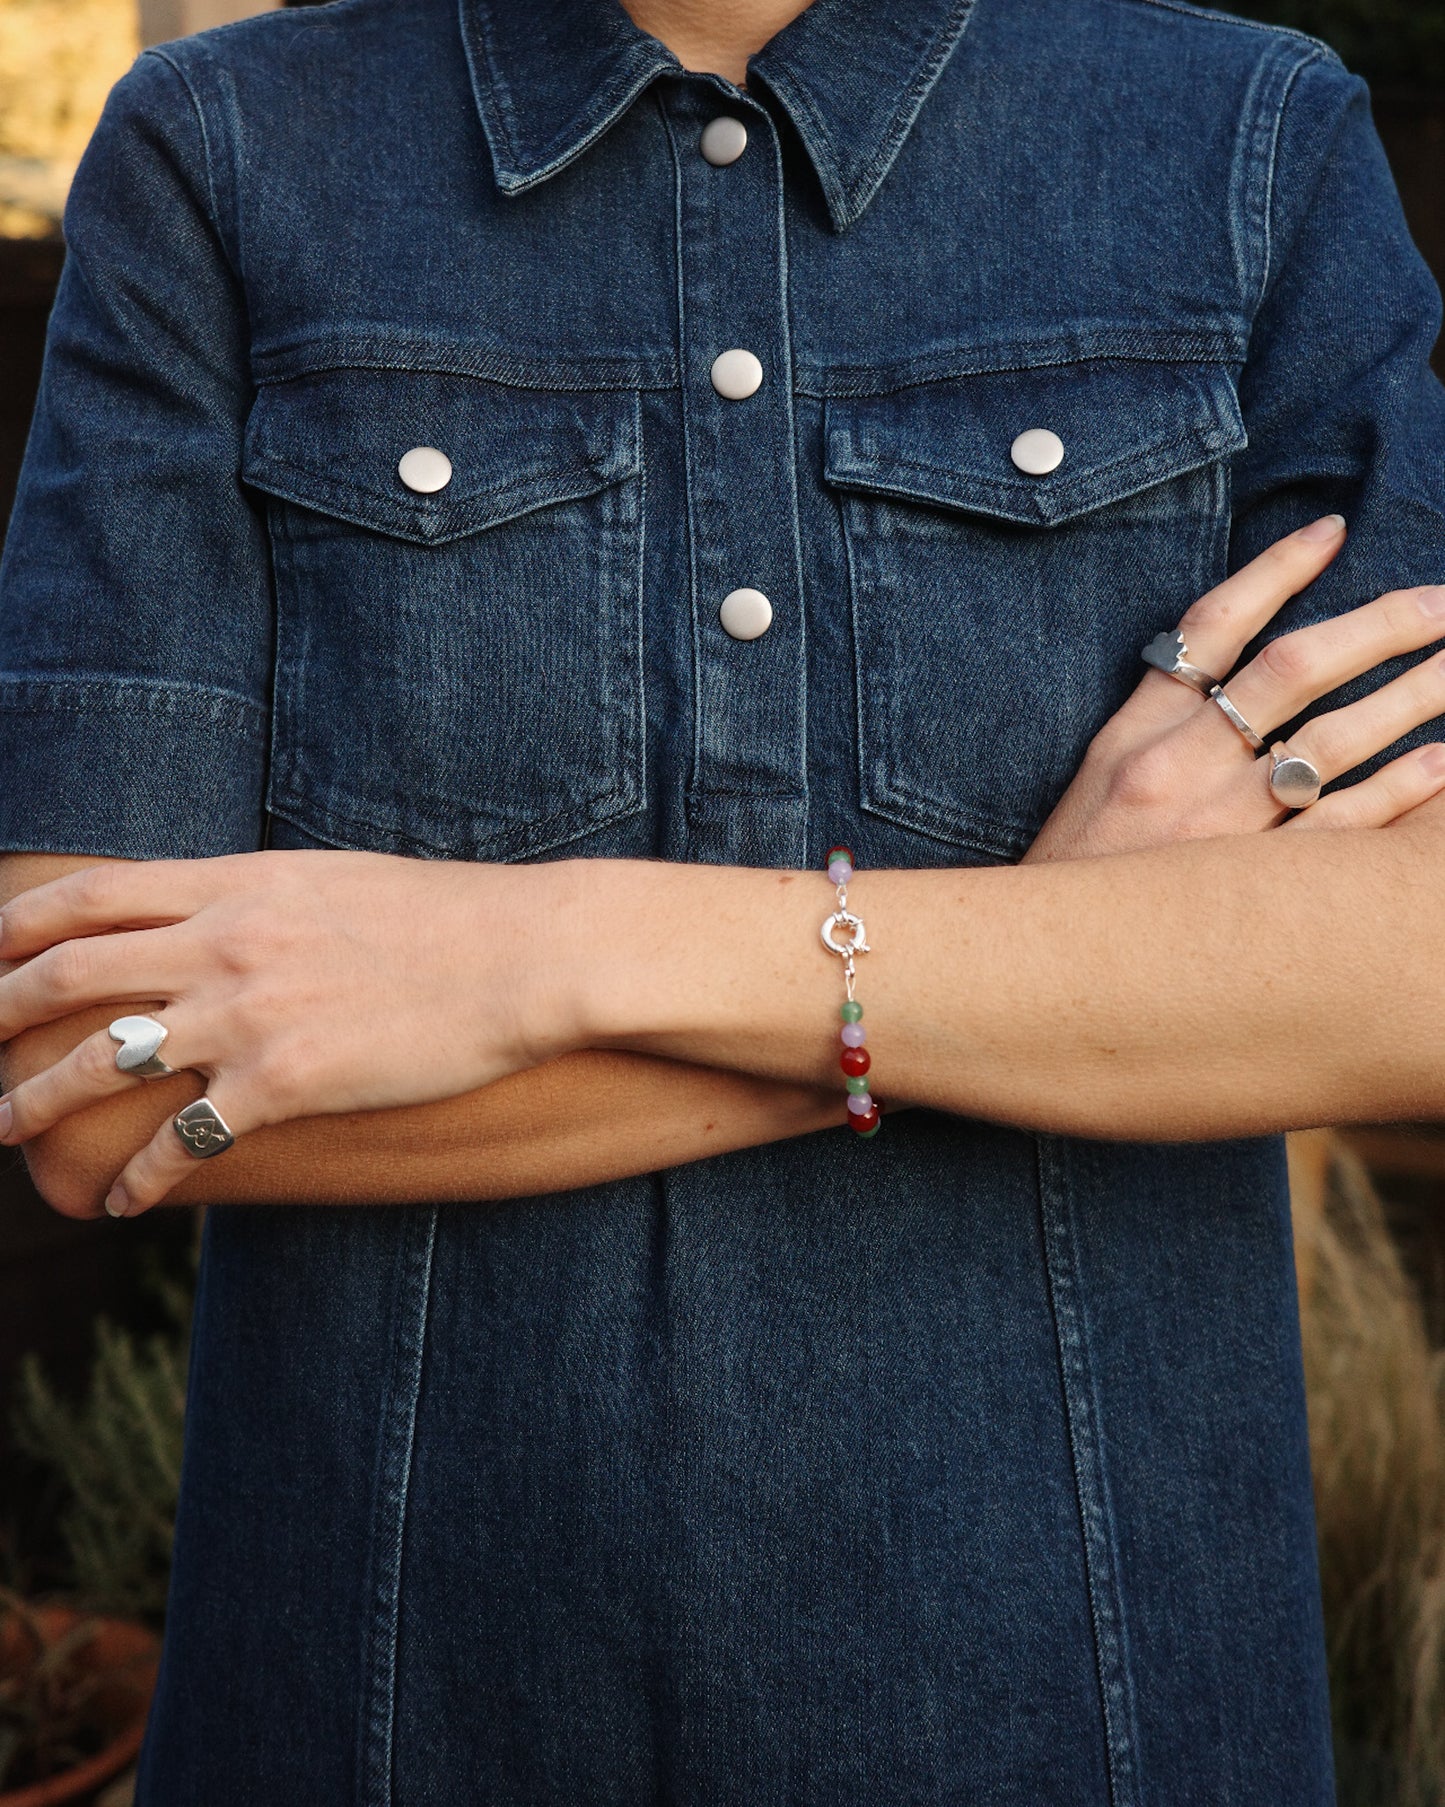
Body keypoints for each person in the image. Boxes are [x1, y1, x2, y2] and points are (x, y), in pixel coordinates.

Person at [1, 0, 1444, 1797]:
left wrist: (535, 958)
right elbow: (97, 1068)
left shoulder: (1242, 135)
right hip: (385, 1697)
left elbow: (1408, 972)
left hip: (1097, 1700)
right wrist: (1037, 962)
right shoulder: (220, 150)